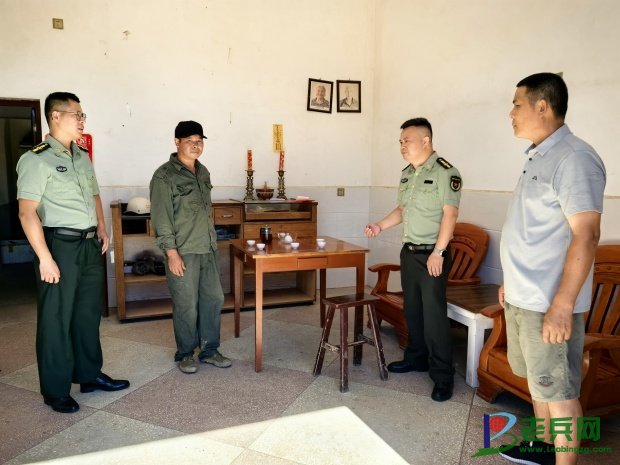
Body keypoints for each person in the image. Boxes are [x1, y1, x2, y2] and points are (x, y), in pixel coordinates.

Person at [498, 73, 606, 465]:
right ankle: (544, 449)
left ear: (542, 106)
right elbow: (533, 231)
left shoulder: (574, 158)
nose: (511, 113)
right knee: (540, 384)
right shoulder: (538, 156)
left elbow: (587, 235)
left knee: (559, 393)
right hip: (524, 296)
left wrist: (563, 304)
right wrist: (510, 282)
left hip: (548, 302)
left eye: (517, 104)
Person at [16, 92, 129, 414]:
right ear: (55, 116)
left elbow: (93, 193)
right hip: (59, 246)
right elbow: (27, 212)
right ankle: (55, 390)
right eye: (76, 114)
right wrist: (45, 258)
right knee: (56, 319)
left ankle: (89, 375)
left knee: (87, 315)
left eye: (83, 115)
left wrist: (102, 228)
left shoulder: (81, 155)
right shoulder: (36, 159)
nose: (82, 120)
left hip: (89, 243)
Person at [365, 117, 461, 402]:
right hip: (409, 252)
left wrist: (439, 252)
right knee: (413, 311)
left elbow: (450, 215)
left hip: (433, 254)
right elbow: (402, 209)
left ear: (425, 140)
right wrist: (380, 226)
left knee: (434, 317)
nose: (402, 146)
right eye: (400, 142)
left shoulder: (446, 172)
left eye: (406, 141)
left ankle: (443, 376)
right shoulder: (408, 174)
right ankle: (416, 358)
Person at [149, 120, 231, 374]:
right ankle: (185, 353)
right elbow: (161, 218)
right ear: (177, 142)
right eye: (190, 141)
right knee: (186, 303)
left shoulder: (203, 172)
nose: (196, 146)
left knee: (213, 299)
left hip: (207, 248)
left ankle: (209, 350)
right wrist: (171, 253)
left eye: (199, 141)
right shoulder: (164, 176)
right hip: (183, 250)